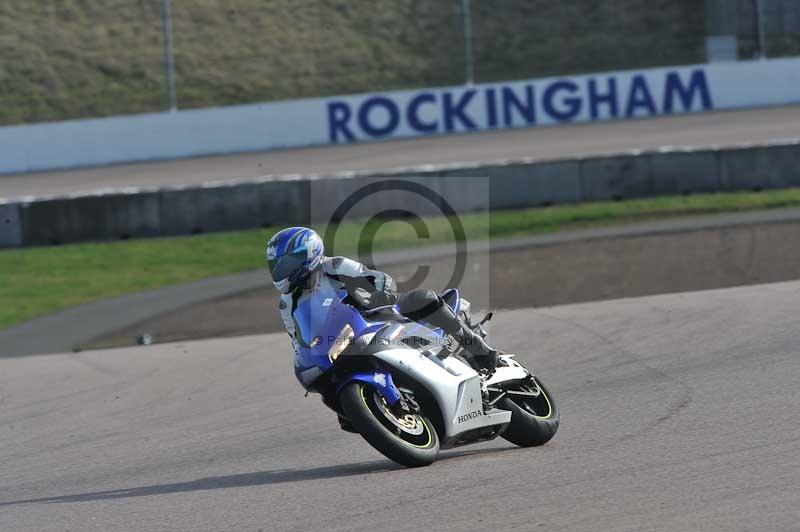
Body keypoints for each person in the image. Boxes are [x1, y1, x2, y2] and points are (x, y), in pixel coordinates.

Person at [266, 227, 499, 373]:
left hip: (376, 315)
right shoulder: (287, 303)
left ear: (308, 254)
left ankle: (477, 348)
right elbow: (297, 340)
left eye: (285, 264)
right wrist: (306, 354)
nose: (280, 271)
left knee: (424, 298)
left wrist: (380, 294)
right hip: (341, 340)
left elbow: (378, 278)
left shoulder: (333, 266)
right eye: (276, 266)